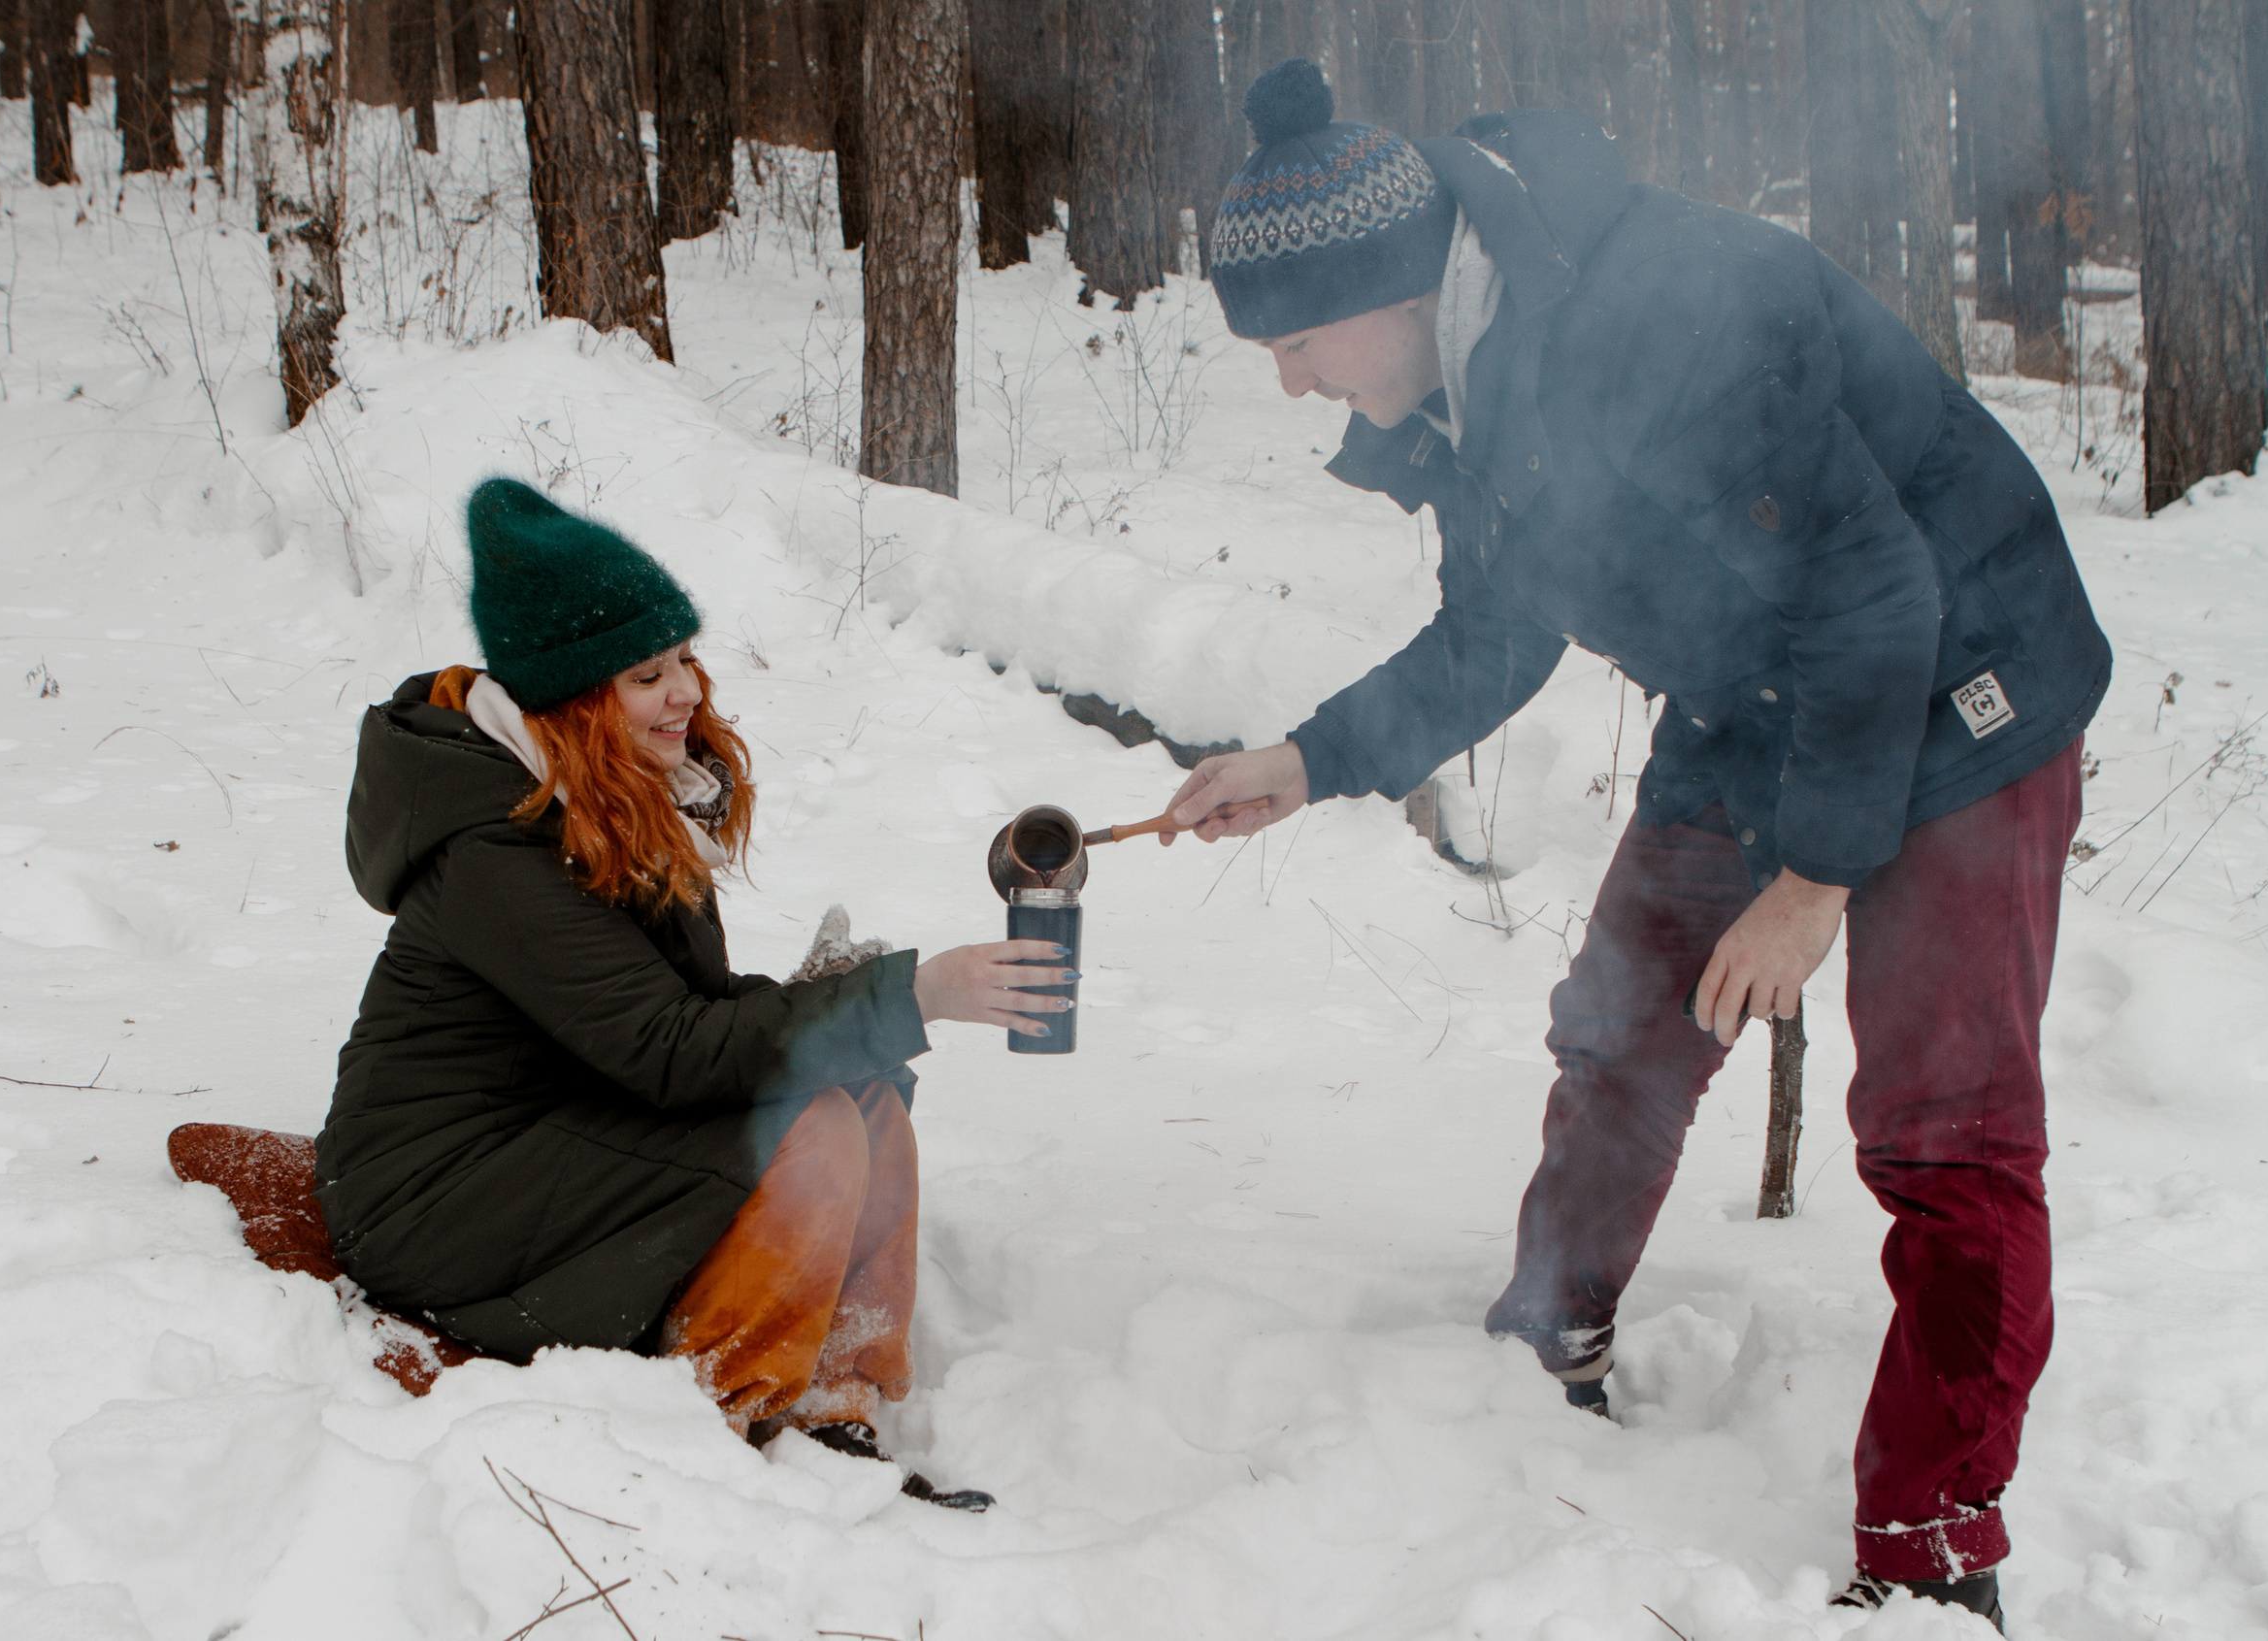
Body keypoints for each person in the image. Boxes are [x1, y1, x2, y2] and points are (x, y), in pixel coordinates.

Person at [1164, 60, 2110, 1625]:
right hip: (1756, 691)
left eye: (1294, 342)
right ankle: (1552, 1333)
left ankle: (1935, 1550)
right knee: (1620, 1025)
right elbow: (1498, 629)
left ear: (1386, 290)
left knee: (1946, 1139)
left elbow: (1880, 592)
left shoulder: (1659, 315)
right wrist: (1306, 758)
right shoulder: (1473, 371)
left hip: (1961, 683)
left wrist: (1815, 880)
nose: (1288, 383)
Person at [315, 477, 1069, 1509]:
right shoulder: (495, 848)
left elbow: (661, 1017)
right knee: (809, 1127)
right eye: (646, 675)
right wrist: (905, 996)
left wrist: (843, 1014)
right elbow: (670, 1048)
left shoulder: (609, 798)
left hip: (559, 1119)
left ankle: (833, 1398)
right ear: (576, 699)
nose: (685, 695)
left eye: (683, 661)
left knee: (866, 1105)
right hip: (434, 1192)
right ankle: (722, 1402)